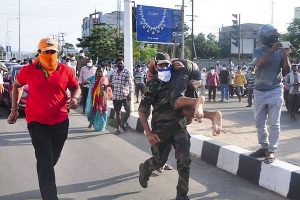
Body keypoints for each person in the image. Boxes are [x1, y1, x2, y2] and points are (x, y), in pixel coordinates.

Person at [7, 37, 81, 200]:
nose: (49, 54)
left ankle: (44, 168)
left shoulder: (66, 71)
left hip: (61, 122)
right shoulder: (29, 70)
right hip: (36, 123)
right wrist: (14, 109)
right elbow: (17, 86)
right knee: (46, 162)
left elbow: (76, 87)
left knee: (50, 160)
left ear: (57, 52)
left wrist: (75, 99)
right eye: (46, 52)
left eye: (52, 51)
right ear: (39, 53)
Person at [138, 61, 194, 200]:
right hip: (160, 130)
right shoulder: (153, 85)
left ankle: (182, 195)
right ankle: (145, 168)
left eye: (166, 65)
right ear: (156, 67)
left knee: (184, 161)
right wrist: (148, 133)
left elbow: (190, 100)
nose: (163, 68)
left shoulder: (181, 80)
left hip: (179, 127)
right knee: (159, 161)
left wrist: (191, 115)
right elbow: (142, 111)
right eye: (160, 65)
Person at [250, 24, 291, 164]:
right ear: (265, 37)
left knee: (275, 123)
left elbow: (286, 71)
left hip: (275, 90)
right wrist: (272, 51)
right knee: (259, 122)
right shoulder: (257, 51)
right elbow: (259, 64)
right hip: (259, 91)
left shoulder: (281, 52)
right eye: (273, 36)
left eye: (276, 36)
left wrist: (285, 56)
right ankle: (264, 146)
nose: (276, 38)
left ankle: (271, 151)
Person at [111, 57, 133, 135]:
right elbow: (112, 83)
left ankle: (123, 123)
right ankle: (118, 128)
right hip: (116, 95)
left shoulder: (127, 72)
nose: (120, 64)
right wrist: (112, 93)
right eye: (119, 63)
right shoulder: (113, 72)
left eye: (121, 63)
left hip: (125, 95)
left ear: (123, 63)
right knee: (118, 112)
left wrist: (130, 93)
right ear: (116, 64)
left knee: (128, 110)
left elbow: (130, 84)